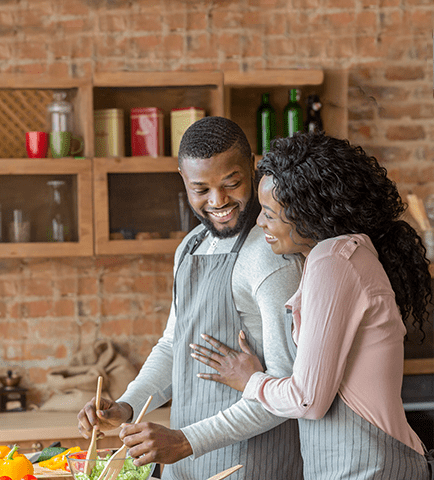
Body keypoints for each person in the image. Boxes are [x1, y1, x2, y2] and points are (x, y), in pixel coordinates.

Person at [190, 132, 433, 479]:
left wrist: (249, 380)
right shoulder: (342, 255)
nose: (260, 223)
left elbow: (308, 399)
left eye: (271, 214)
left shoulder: (332, 260)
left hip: (370, 468)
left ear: (308, 214)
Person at [77, 117, 305, 479]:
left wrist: (185, 440)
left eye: (232, 184)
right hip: (187, 462)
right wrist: (126, 405)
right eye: (201, 189)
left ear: (252, 168)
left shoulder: (267, 256)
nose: (219, 201)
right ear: (182, 178)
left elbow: (289, 388)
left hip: (251, 465)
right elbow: (173, 346)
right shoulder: (191, 246)